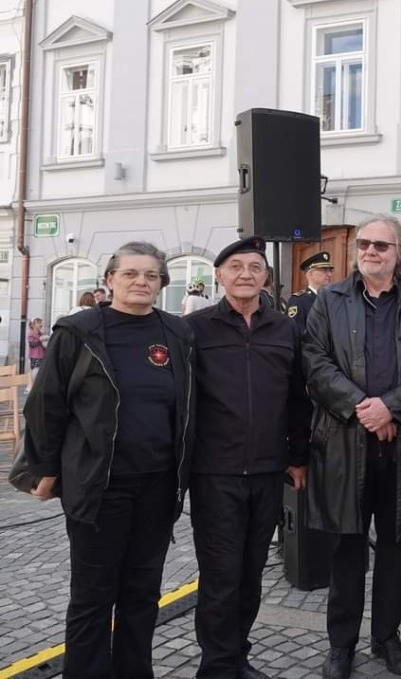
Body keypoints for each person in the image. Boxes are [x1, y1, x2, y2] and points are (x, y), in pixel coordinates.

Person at [22, 241, 196, 679]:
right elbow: (46, 404)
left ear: (162, 283)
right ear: (110, 280)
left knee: (142, 593)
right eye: (130, 273)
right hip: (100, 486)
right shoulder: (79, 331)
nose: (141, 282)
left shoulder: (176, 333)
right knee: (93, 596)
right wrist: (45, 469)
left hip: (158, 487)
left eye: (151, 275)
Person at [302, 215, 401, 679]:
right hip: (346, 445)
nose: (370, 250)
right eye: (364, 243)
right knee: (346, 548)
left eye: (381, 245)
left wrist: (392, 408)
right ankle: (340, 645)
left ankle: (386, 636)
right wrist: (363, 408)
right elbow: (314, 360)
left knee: (394, 548)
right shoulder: (329, 300)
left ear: (398, 252)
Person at [186, 236, 312, 679]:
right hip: (214, 473)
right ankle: (217, 666)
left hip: (268, 471)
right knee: (221, 576)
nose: (245, 274)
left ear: (266, 277)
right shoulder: (195, 329)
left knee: (251, 573)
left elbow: (298, 398)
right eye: (236, 267)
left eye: (255, 267)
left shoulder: (285, 329)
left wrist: (297, 456)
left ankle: (237, 656)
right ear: (219, 276)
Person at [288, 252, 333, 332]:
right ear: (311, 274)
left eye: (330, 270)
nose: (330, 274)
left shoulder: (333, 299)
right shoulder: (299, 301)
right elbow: (294, 332)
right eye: (324, 270)